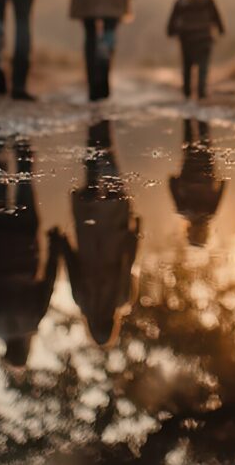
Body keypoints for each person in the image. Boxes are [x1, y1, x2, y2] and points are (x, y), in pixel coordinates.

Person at [0, 138, 65, 367]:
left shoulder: (33, 321)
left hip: (26, 243)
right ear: (8, 349)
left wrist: (55, 247)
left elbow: (48, 281)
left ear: (25, 348)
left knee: (25, 184)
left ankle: (22, 141)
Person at [62, 120, 140, 346]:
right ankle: (94, 126)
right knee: (92, 174)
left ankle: (102, 126)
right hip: (88, 232)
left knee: (112, 176)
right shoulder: (82, 301)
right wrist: (62, 242)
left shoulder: (123, 299)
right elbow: (71, 265)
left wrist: (135, 231)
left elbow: (130, 263)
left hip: (115, 231)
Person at [167, 0, 225, 99]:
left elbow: (172, 22)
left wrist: (172, 31)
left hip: (187, 39)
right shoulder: (208, 0)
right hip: (204, 38)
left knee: (187, 66)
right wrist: (221, 29)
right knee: (202, 67)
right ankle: (200, 90)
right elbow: (217, 18)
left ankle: (188, 91)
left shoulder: (181, 1)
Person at [169, 118, 226, 246]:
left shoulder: (208, 213)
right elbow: (172, 185)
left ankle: (200, 117)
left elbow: (221, 190)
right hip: (190, 173)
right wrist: (175, 181)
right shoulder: (184, 210)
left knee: (204, 142)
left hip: (204, 173)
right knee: (190, 143)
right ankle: (190, 117)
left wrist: (220, 181)